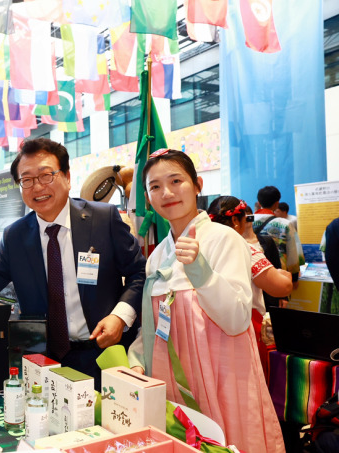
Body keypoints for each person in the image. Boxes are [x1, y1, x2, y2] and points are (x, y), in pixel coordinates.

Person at [0, 138, 146, 388]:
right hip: (45, 360)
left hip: (105, 354)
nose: (37, 187)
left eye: (46, 175)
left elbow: (139, 272)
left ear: (67, 177)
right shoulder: (15, 235)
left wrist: (120, 317)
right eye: (26, 180)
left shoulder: (103, 219)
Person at [128, 149, 284, 452]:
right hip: (172, 375)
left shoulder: (226, 240)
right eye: (155, 186)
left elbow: (236, 320)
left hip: (221, 377)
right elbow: (156, 320)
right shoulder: (158, 255)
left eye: (176, 181)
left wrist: (202, 273)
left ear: (198, 184)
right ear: (147, 198)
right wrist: (137, 357)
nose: (167, 192)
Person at [207, 196, 293, 368]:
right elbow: (281, 287)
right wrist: (285, 276)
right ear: (235, 221)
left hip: (208, 330)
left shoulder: (201, 248)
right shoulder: (244, 248)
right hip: (243, 328)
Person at [253, 186, 303, 288]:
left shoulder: (246, 221)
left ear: (259, 203)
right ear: (277, 203)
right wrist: (294, 278)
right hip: (277, 274)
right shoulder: (285, 224)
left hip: (253, 272)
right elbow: (293, 253)